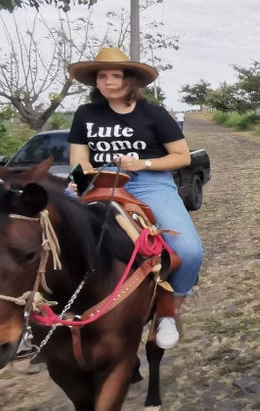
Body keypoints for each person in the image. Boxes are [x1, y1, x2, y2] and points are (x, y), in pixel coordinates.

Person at [67, 47, 204, 350]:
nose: (108, 82)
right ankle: (37, 310)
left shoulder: (153, 113)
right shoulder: (85, 114)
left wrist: (142, 163)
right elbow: (78, 159)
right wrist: (79, 181)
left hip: (148, 183)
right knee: (40, 233)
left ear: (131, 81)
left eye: (116, 76)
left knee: (190, 250)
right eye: (102, 76)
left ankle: (168, 310)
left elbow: (181, 156)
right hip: (97, 181)